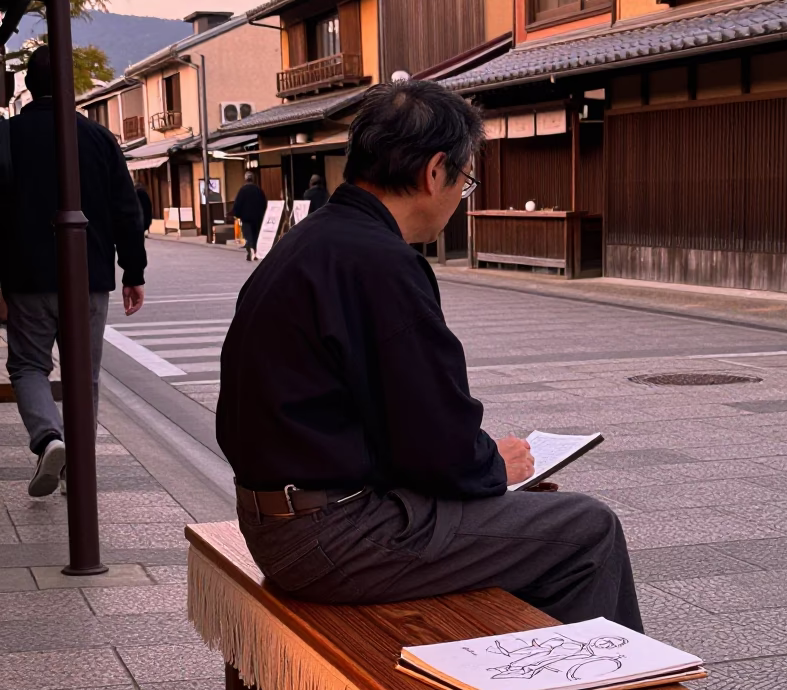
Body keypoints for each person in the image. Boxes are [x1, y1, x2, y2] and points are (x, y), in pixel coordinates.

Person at [216, 81, 642, 631]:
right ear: (435, 171)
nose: (460, 198)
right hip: (336, 537)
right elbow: (436, 439)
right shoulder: (383, 264)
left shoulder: (309, 242)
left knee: (530, 525)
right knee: (586, 529)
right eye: (466, 181)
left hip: (279, 519)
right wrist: (495, 467)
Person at [0, 46, 146, 498]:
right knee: (85, 375)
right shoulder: (99, 139)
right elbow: (127, 209)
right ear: (71, 87)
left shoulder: (8, 136)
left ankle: (49, 438)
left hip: (25, 277)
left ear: (29, 86)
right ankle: (77, 471)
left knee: (28, 365)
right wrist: (133, 271)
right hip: (90, 276)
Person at [232, 172, 267, 261]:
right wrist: (262, 213)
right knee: (256, 235)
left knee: (248, 235)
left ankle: (250, 250)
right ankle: (255, 251)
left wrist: (236, 214)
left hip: (246, 218)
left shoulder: (242, 190)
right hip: (257, 217)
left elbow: (238, 203)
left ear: (246, 179)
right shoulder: (258, 189)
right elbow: (264, 203)